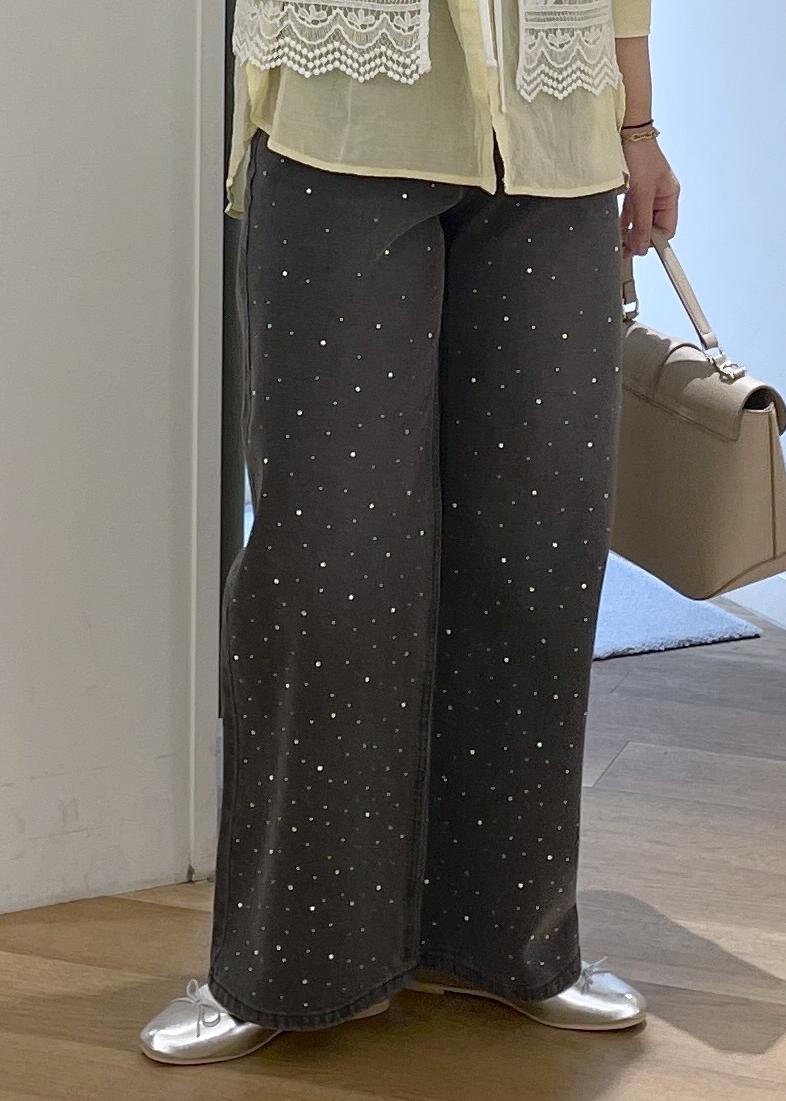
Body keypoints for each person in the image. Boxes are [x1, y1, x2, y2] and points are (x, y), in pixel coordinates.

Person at [140, 0, 679, 1065]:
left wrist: (638, 124)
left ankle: (511, 944)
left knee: (536, 552)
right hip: (342, 116)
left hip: (555, 127)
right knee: (326, 560)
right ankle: (282, 964)